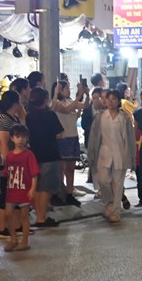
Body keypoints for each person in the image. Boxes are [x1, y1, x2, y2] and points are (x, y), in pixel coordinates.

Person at [88, 90, 137, 224]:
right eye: (108, 99)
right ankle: (109, 203)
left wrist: (132, 156)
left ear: (118, 101)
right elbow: (93, 137)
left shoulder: (124, 118)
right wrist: (91, 153)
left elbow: (130, 139)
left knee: (118, 184)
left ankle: (115, 211)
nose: (110, 102)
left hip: (120, 153)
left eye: (113, 99)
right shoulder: (100, 117)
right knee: (103, 181)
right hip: (103, 154)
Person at [25, 88, 63, 228]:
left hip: (34, 154)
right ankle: (41, 218)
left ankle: (39, 215)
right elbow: (59, 134)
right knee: (45, 188)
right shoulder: (50, 115)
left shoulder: (29, 116)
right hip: (49, 154)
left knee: (37, 186)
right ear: (45, 99)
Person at [0, 90, 26, 238]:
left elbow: (24, 119)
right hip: (8, 162)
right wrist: (9, 163)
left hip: (17, 161)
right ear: (14, 102)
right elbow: (3, 144)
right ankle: (2, 228)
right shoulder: (4, 119)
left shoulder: (13, 117)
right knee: (5, 195)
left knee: (16, 194)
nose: (21, 103)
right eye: (19, 100)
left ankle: (17, 226)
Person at [3, 124, 39, 251]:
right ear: (12, 138)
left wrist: (33, 188)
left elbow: (34, 173)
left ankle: (25, 240)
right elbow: (7, 171)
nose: (21, 140)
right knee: (8, 214)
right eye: (17, 136)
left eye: (23, 137)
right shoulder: (9, 156)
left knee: (24, 216)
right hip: (12, 190)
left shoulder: (29, 155)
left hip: (24, 190)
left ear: (27, 138)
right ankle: (13, 239)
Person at [52, 79, 86, 208]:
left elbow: (85, 106)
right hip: (63, 138)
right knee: (61, 169)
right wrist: (79, 96)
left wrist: (85, 94)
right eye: (67, 88)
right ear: (59, 89)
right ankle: (59, 194)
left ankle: (69, 194)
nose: (69, 90)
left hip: (73, 137)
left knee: (71, 169)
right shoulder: (56, 102)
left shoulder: (70, 101)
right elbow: (66, 110)